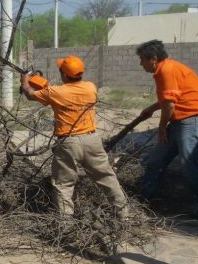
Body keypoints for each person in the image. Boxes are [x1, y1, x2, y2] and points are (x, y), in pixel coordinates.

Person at [20, 55, 128, 217]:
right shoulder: (90, 87)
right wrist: (45, 84)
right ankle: (123, 215)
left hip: (68, 143)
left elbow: (29, 93)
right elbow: (65, 92)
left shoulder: (55, 92)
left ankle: (66, 226)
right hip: (92, 140)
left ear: (64, 74)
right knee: (107, 178)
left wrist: (25, 79)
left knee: (63, 185)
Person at [133, 39, 198, 204]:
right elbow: (169, 99)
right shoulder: (164, 69)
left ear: (153, 58)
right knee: (156, 160)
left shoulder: (167, 70)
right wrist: (152, 108)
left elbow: (169, 105)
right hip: (178, 121)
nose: (141, 64)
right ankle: (142, 200)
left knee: (188, 164)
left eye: (142, 59)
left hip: (190, 120)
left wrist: (161, 127)